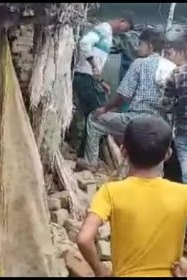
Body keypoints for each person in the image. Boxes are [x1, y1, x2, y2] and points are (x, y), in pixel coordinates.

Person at [77, 116, 187, 277]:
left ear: (123, 151)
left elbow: (84, 239)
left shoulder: (110, 191)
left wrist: (100, 271)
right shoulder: (182, 193)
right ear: (168, 154)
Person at [76, 29, 175, 171]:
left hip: (137, 119)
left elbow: (123, 95)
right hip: (162, 125)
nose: (137, 48)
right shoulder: (172, 67)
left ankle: (91, 162)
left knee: (94, 119)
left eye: (140, 44)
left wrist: (105, 109)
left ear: (150, 47)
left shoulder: (140, 64)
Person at [70, 16, 133, 157]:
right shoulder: (103, 29)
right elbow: (84, 43)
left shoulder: (108, 34)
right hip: (84, 77)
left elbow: (97, 68)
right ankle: (88, 157)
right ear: (122, 21)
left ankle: (84, 153)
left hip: (89, 78)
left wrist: (102, 82)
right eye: (125, 28)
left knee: (91, 114)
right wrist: (93, 64)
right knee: (97, 114)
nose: (123, 32)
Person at [161, 32, 187, 183]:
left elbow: (166, 104)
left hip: (183, 129)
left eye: (172, 53)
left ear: (182, 52)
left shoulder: (177, 74)